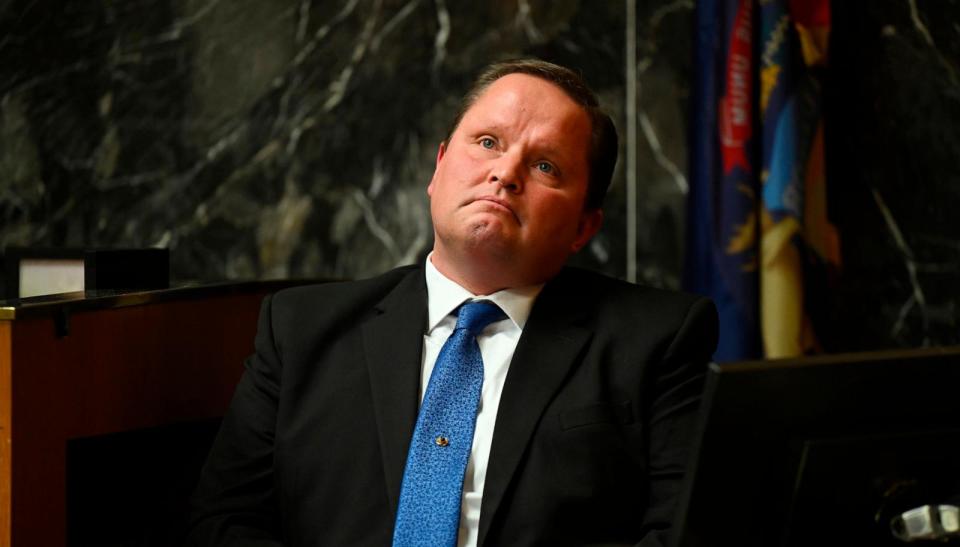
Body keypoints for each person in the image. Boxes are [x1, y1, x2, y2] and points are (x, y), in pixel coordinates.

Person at [187, 59, 718, 547]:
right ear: (438, 168)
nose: (505, 174)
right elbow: (223, 523)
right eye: (488, 141)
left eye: (546, 167)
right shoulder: (300, 330)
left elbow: (679, 533)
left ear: (584, 226)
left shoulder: (657, 341)